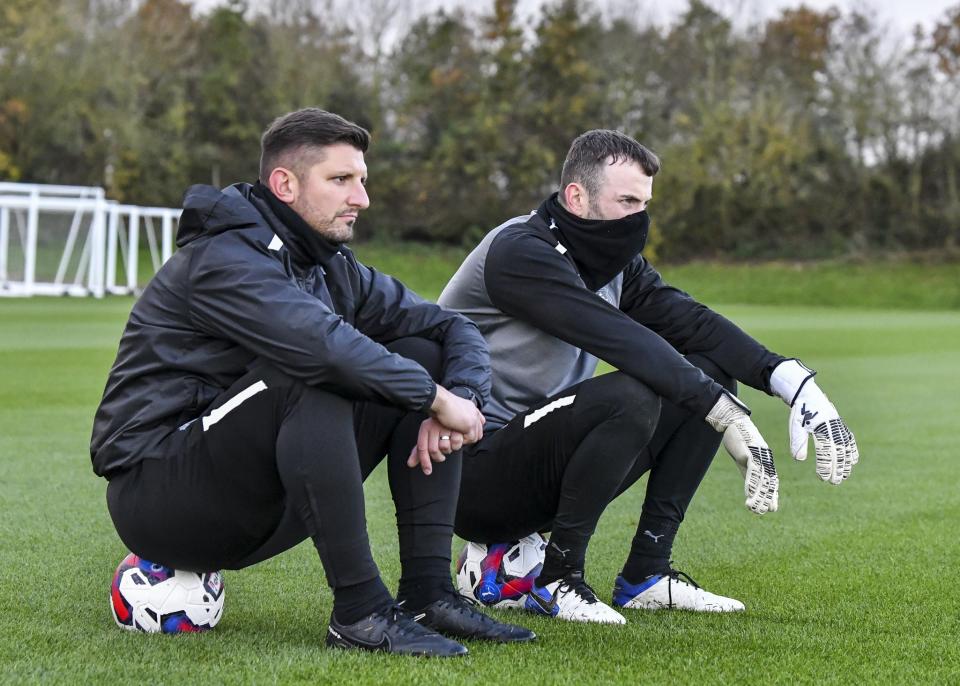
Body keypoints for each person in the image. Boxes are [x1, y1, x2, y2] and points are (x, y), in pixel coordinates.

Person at [90, 108, 536, 656]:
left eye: (362, 181)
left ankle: (429, 594)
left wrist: (463, 394)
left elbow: (451, 325)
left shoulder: (329, 266)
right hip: (159, 496)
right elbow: (320, 347)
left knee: (421, 350)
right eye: (341, 180)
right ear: (285, 184)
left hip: (259, 499)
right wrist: (434, 399)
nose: (361, 198)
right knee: (311, 371)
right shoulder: (221, 260)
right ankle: (360, 612)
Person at [439, 129, 859, 624]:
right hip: (467, 473)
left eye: (644, 202)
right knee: (633, 391)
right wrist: (722, 413)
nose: (639, 216)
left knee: (711, 369)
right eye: (627, 200)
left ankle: (647, 575)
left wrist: (792, 382)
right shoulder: (518, 252)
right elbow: (618, 338)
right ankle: (560, 577)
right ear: (577, 197)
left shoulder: (612, 263)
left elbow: (691, 322)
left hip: (539, 463)